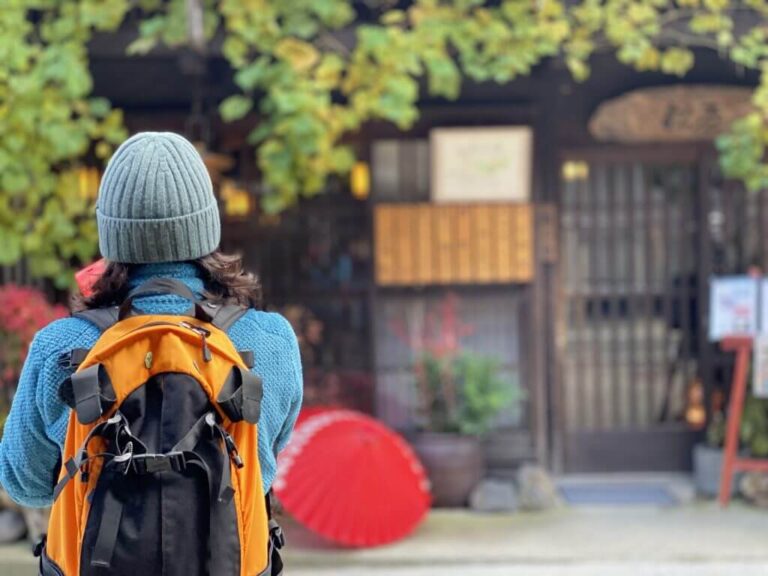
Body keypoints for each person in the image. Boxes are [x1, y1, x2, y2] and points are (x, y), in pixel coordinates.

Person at [0, 132, 302, 521]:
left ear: (111, 232)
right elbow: (263, 464)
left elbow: (24, 484)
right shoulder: (271, 340)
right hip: (230, 550)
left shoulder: (59, 346)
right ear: (206, 224)